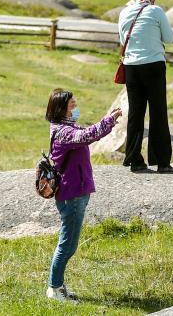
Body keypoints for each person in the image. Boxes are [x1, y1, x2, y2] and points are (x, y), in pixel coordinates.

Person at [45, 88, 123, 302]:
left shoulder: (66, 127)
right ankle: (54, 288)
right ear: (61, 109)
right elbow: (87, 136)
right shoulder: (63, 132)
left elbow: (85, 133)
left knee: (69, 243)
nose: (75, 107)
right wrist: (109, 120)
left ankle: (58, 286)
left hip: (76, 192)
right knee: (67, 244)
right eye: (72, 105)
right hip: (71, 194)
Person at [117, 0, 173, 173]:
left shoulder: (124, 13)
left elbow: (122, 38)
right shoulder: (156, 11)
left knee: (135, 113)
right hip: (154, 65)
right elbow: (169, 38)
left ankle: (134, 159)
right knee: (158, 112)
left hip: (132, 67)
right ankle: (162, 161)